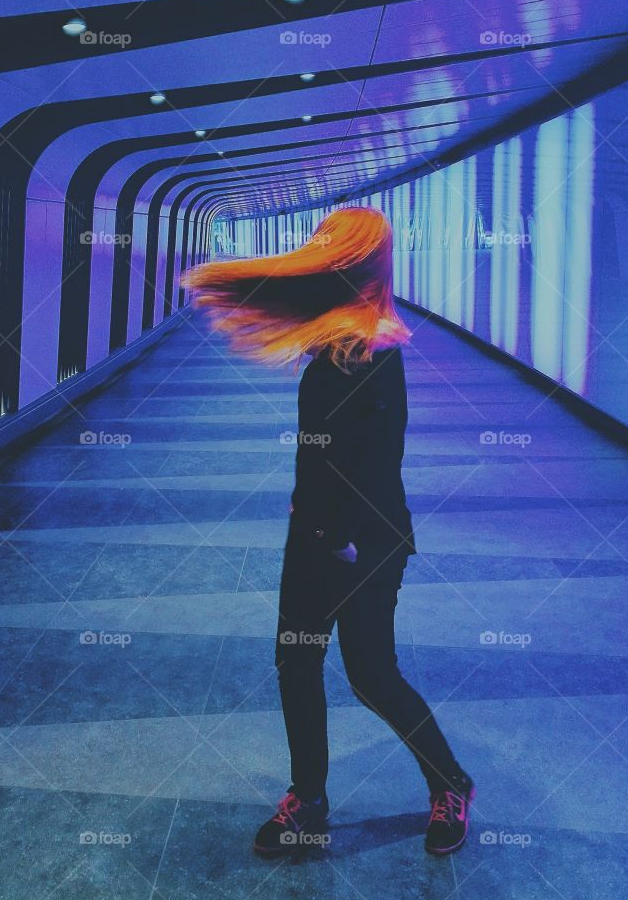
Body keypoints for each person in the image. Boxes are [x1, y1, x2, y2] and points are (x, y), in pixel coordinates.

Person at [181, 206, 474, 857]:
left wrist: (338, 544)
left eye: (328, 245)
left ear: (354, 260)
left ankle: (450, 782)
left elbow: (372, 463)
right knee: (297, 663)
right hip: (314, 534)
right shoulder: (335, 338)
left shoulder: (367, 349)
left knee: (371, 675)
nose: (315, 251)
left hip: (361, 542)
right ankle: (308, 804)